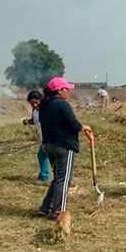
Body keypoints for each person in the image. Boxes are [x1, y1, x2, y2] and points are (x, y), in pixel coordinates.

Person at [38, 77, 91, 220]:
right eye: (66, 89)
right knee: (64, 179)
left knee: (58, 178)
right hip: (64, 146)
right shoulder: (62, 105)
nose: (67, 91)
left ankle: (45, 207)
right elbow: (73, 124)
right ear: (60, 90)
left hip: (49, 145)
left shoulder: (44, 105)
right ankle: (58, 212)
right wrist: (84, 127)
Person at [23, 91, 50, 182]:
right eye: (32, 103)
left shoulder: (46, 110)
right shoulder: (34, 111)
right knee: (43, 155)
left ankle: (45, 177)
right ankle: (44, 176)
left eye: (36, 102)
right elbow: (35, 121)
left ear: (41, 100)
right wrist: (27, 121)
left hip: (50, 138)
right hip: (43, 139)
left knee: (44, 155)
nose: (34, 105)